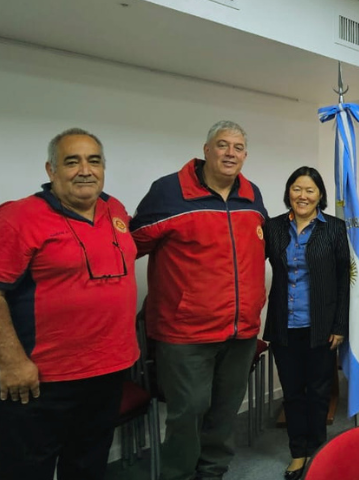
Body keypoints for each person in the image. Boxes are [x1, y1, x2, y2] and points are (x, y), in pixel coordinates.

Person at [0, 128, 139, 480]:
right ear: (51, 170)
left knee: (88, 465)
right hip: (42, 379)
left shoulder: (114, 208)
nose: (85, 170)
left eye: (94, 161)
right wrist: (12, 362)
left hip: (108, 371)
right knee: (26, 470)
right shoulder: (17, 218)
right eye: (72, 161)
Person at [131, 120, 268, 480]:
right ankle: (178, 475)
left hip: (241, 331)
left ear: (245, 156)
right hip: (185, 333)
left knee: (223, 412)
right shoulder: (168, 192)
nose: (230, 153)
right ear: (206, 150)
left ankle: (212, 473)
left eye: (238, 148)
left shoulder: (252, 195)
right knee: (187, 412)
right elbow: (127, 247)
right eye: (222, 145)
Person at [263, 167, 349, 480]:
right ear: (288, 192)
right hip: (284, 327)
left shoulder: (335, 229)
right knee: (293, 393)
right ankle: (298, 453)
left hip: (322, 328)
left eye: (310, 190)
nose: (303, 196)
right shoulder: (271, 228)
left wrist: (340, 325)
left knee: (319, 392)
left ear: (320, 196)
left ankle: (318, 449)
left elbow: (343, 279)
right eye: (297, 189)